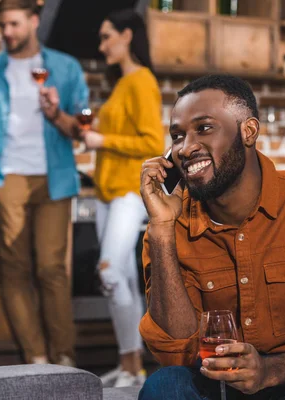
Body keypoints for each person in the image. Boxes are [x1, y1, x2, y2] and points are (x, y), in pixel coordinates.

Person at [137, 74, 285, 399]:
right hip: (211, 380)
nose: (186, 148)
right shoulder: (168, 223)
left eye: (203, 128)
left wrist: (269, 371)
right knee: (165, 386)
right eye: (177, 136)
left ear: (248, 131)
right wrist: (161, 228)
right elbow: (174, 348)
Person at [0, 0, 89, 366]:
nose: (7, 32)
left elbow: (81, 129)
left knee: (51, 268)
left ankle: (64, 357)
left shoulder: (66, 68)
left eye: (15, 24)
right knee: (15, 267)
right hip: (8, 176)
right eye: (3, 25)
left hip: (54, 176)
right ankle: (35, 358)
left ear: (34, 21)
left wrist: (56, 114)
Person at [80, 9, 164, 387]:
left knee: (110, 273)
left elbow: (153, 144)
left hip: (130, 192)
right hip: (106, 193)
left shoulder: (142, 81)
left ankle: (136, 364)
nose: (102, 46)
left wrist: (101, 140)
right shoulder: (120, 83)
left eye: (107, 36)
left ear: (127, 36)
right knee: (124, 280)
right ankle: (131, 368)